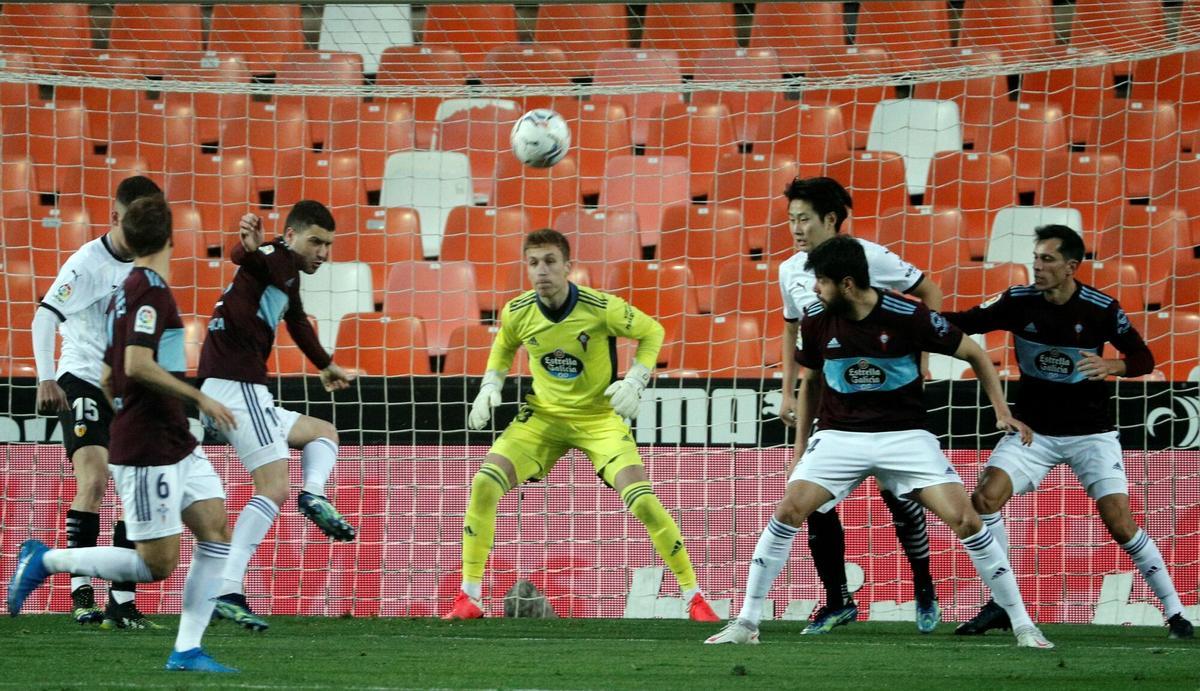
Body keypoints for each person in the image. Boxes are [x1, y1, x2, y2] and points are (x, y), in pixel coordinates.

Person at [705, 235, 1053, 648]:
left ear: (847, 284)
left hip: (905, 436)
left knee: (967, 520)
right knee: (788, 511)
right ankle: (746, 622)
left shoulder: (909, 314)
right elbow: (811, 382)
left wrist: (1001, 410)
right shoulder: (815, 319)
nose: (814, 289)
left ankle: (1024, 625)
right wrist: (798, 452)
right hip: (839, 436)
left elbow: (974, 354)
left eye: (822, 281)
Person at [9, 195, 241, 673]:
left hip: (153, 418)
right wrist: (197, 399)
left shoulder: (139, 286)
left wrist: (126, 401)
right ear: (170, 238)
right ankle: (64, 575)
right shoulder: (126, 282)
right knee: (109, 498)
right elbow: (124, 359)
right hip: (100, 392)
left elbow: (118, 368)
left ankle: (156, 627)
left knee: (214, 527)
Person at [445, 228, 719, 622]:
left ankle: (695, 597)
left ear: (567, 266)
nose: (541, 270)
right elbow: (504, 346)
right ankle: (469, 596)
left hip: (599, 419)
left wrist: (636, 380)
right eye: (533, 263)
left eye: (550, 261)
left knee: (643, 500)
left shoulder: (601, 307)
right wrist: (490, 385)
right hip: (543, 417)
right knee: (484, 483)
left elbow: (652, 331)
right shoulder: (517, 311)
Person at [943, 225, 1194, 640]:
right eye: (1036, 258)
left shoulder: (1100, 308)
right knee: (984, 498)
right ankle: (1002, 604)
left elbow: (1144, 357)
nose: (1037, 267)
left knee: (1120, 523)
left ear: (1071, 266)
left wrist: (1113, 366)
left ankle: (1175, 612)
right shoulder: (1017, 301)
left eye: (1047, 259)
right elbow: (966, 322)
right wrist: (911, 319)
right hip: (1034, 431)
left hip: (1090, 433)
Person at [776, 177, 945, 634]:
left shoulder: (871, 257)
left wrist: (922, 359)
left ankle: (924, 586)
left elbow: (930, 292)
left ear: (830, 219)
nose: (796, 228)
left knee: (901, 497)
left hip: (888, 403)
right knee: (814, 502)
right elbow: (792, 330)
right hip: (833, 403)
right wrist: (788, 390)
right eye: (791, 220)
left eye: (804, 219)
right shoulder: (789, 270)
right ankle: (838, 600)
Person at [197, 201, 355, 631]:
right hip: (235, 386)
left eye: (328, 244)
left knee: (323, 433)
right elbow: (247, 257)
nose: (323, 252)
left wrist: (326, 365)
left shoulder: (285, 274)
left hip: (238, 389)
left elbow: (298, 321)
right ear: (290, 236)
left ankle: (314, 494)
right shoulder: (274, 257)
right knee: (274, 485)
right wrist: (246, 246)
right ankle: (227, 588)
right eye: (315, 241)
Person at [30, 175, 164, 628]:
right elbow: (44, 316)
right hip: (81, 379)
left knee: (131, 489)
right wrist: (47, 378)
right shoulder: (86, 264)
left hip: (123, 388)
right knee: (94, 480)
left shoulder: (147, 264)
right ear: (115, 217)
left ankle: (121, 603)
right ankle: (81, 593)